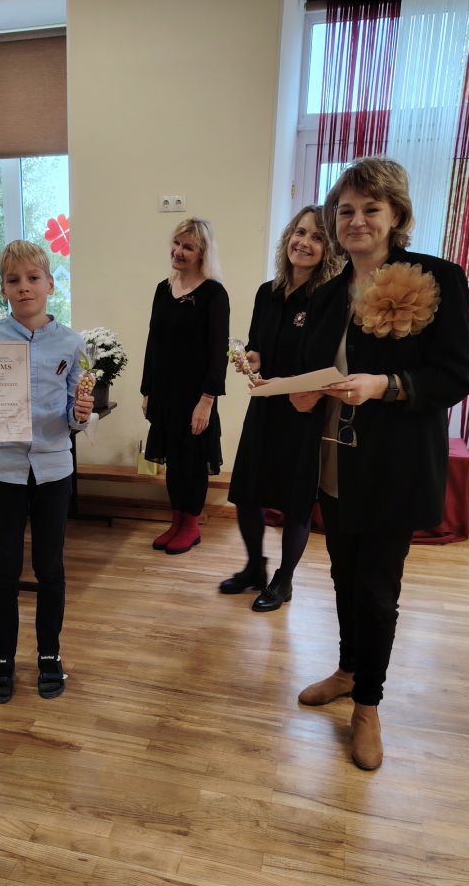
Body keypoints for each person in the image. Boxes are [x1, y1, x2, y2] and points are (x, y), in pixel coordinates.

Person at [291, 158, 469, 770]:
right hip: (334, 458)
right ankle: (348, 669)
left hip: (395, 464)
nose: (357, 220)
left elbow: (454, 376)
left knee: (377, 588)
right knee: (342, 574)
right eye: (345, 210)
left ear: (396, 215)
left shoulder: (439, 278)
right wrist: (297, 391)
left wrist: (386, 386)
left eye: (371, 209)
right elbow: (316, 371)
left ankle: (368, 705)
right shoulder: (327, 292)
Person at [0, 240, 93, 704]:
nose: (24, 287)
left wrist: (82, 414)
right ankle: (2, 658)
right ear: (3, 288)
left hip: (53, 469)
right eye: (14, 280)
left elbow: (74, 414)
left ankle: (49, 654)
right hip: (3, 469)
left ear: (50, 284)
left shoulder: (72, 343)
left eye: (33, 278)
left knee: (50, 567)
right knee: (4, 570)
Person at [221, 206, 340, 611]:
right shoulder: (266, 292)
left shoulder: (328, 299)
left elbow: (327, 364)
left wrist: (299, 387)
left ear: (329, 250)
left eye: (317, 237)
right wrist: (251, 359)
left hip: (304, 413)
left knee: (295, 502)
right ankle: (254, 567)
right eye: (300, 232)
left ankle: (284, 580)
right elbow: (258, 347)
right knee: (246, 492)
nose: (304, 242)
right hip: (265, 406)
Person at [141, 218, 229, 554]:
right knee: (174, 462)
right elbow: (153, 342)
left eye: (188, 247)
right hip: (164, 394)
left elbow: (218, 353)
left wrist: (207, 400)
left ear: (202, 253)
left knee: (192, 461)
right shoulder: (162, 289)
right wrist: (147, 390)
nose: (178, 251)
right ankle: (176, 520)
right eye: (176, 243)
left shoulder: (214, 294)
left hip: (196, 397)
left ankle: (191, 526)